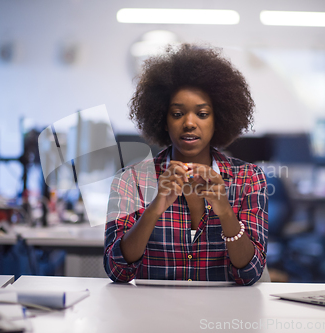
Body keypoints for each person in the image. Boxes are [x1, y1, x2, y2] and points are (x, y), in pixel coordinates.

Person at [104, 44, 268, 285]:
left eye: (202, 114)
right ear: (162, 120)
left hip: (222, 317)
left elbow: (250, 273)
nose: (189, 123)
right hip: (150, 315)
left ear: (218, 119)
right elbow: (117, 271)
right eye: (178, 114)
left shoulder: (249, 178)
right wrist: (155, 208)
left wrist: (225, 211)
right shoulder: (131, 180)